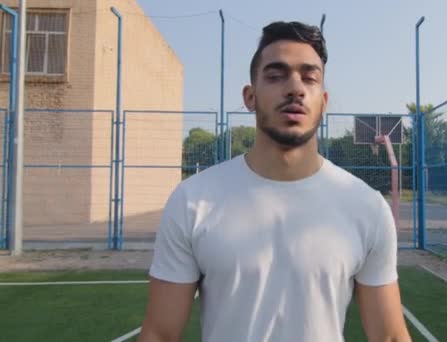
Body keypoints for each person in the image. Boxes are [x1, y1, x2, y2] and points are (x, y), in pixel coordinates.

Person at [138, 21, 411, 342]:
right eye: (276, 75)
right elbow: (159, 334)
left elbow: (390, 336)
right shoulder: (193, 200)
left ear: (323, 101)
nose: (295, 87)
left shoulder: (366, 207)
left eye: (309, 77)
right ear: (250, 96)